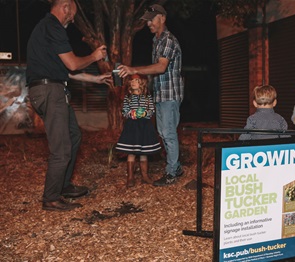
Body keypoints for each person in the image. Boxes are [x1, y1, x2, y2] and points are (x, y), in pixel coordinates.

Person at [26, 0, 111, 211]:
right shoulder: (53, 27)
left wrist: (95, 80)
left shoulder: (46, 29)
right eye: (71, 15)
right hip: (50, 92)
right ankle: (51, 198)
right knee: (61, 148)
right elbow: (72, 63)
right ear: (64, 6)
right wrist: (95, 56)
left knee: (74, 135)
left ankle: (63, 186)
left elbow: (64, 70)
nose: (71, 20)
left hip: (53, 89)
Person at [117, 4, 184, 186]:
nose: (148, 23)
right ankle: (175, 166)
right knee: (163, 133)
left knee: (168, 134)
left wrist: (133, 69)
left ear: (162, 17)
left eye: (151, 19)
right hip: (160, 95)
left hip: (170, 94)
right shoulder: (157, 41)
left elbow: (161, 67)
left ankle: (172, 172)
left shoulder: (169, 40)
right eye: (147, 20)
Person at [115, 74, 161, 187]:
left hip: (145, 126)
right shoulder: (128, 97)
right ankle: (130, 177)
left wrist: (146, 113)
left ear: (142, 83)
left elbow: (152, 110)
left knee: (144, 152)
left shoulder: (147, 97)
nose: (133, 82)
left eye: (136, 80)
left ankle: (145, 176)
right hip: (133, 126)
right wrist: (131, 114)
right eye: (131, 81)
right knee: (131, 151)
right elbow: (124, 111)